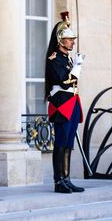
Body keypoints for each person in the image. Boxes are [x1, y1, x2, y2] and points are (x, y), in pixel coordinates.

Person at [45, 11, 85, 194]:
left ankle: (66, 178)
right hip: (61, 104)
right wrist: (78, 66)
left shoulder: (66, 58)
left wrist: (74, 65)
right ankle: (58, 181)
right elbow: (63, 80)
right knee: (61, 141)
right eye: (70, 39)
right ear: (61, 40)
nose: (73, 42)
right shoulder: (54, 58)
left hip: (72, 102)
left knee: (69, 142)